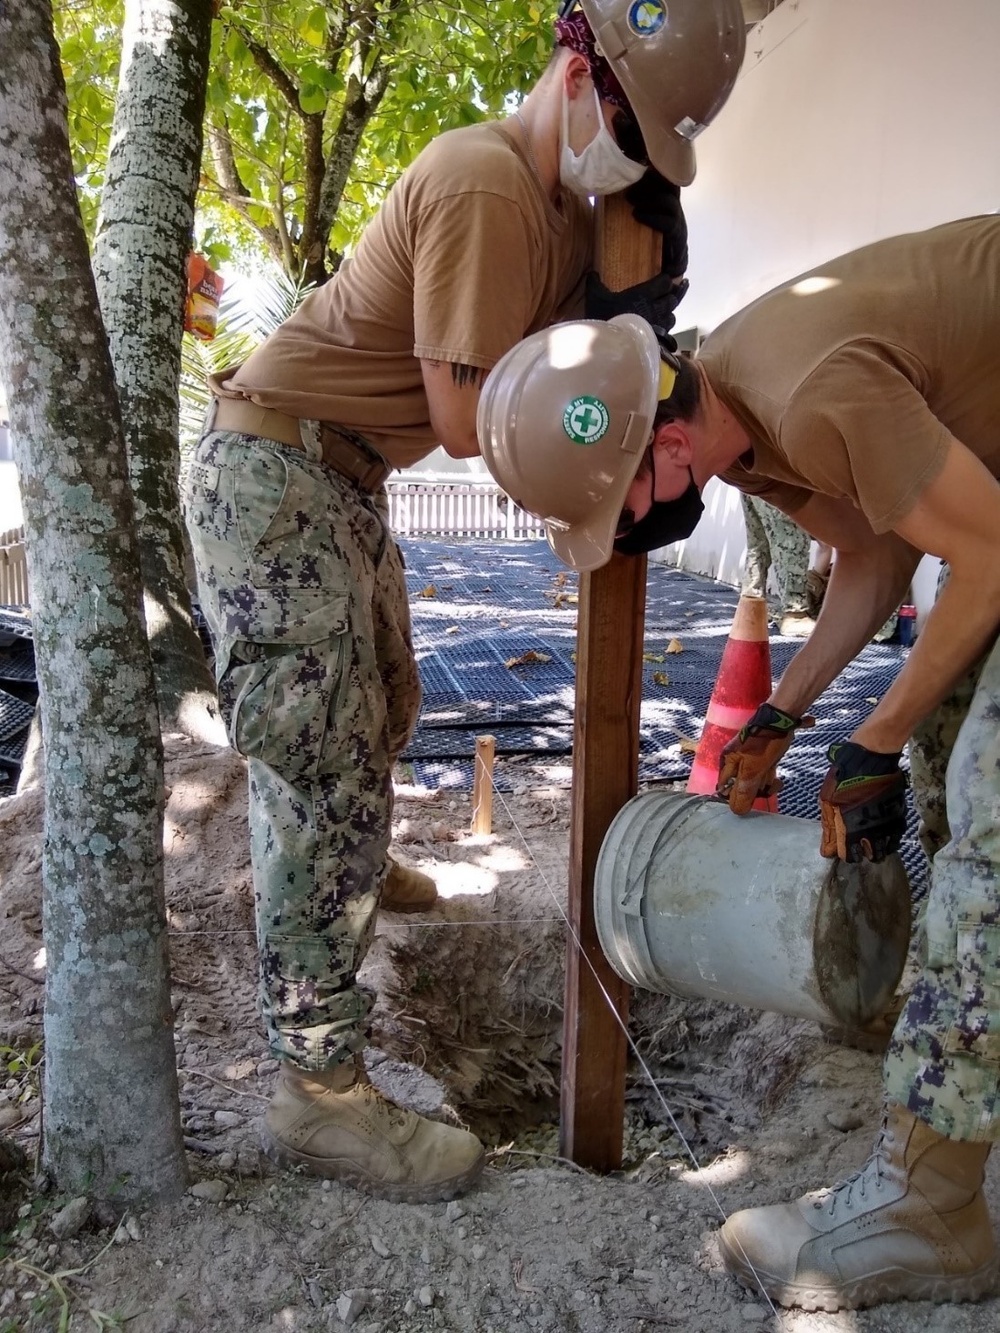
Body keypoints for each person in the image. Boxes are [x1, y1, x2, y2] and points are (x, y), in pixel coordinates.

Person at [182, 0, 746, 1202]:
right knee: (319, 767)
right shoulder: (490, 183)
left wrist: (616, 320)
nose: (629, 162)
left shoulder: (563, 211)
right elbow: (460, 417)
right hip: (275, 476)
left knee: (382, 707)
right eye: (629, 130)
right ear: (577, 68)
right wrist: (604, 373)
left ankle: (350, 867)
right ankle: (318, 1087)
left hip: (331, 477)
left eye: (650, 150)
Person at [476, 215, 1000, 1307]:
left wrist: (874, 738)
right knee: (949, 755)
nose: (626, 533)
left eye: (616, 507)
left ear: (664, 449)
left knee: (987, 822)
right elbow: (879, 555)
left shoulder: (808, 391)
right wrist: (781, 717)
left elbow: (989, 554)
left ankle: (932, 1204)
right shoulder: (741, 426)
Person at [739, 493, 815, 637]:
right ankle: (794, 615)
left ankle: (751, 607)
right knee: (792, 539)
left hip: (752, 482)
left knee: (758, 542)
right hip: (782, 483)